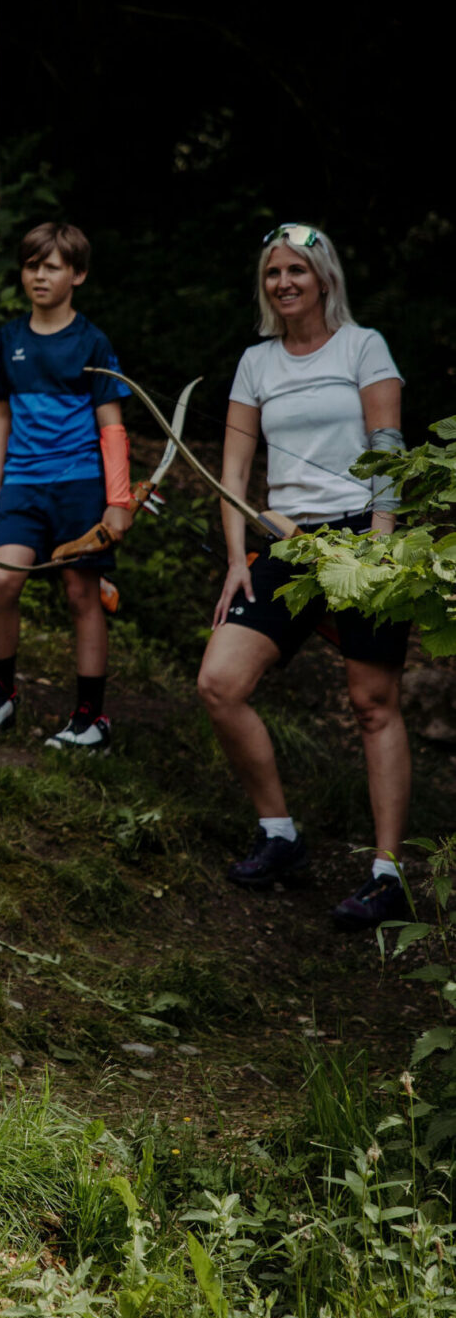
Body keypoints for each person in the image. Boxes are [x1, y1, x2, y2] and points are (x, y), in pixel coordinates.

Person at [198, 223, 411, 931]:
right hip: (287, 542)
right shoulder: (257, 361)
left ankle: (388, 872)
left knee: (371, 701)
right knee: (219, 683)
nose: (284, 281)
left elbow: (388, 453)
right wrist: (237, 560)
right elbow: (231, 476)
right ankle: (280, 833)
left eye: (296, 269)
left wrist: (380, 550)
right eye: (272, 272)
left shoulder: (363, 346)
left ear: (323, 276)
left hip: (362, 537)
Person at [0, 220, 134, 752]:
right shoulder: (10, 338)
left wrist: (119, 501)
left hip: (80, 485)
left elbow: (112, 426)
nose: (39, 275)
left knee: (81, 592)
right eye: (32, 264)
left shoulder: (92, 341)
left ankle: (90, 718)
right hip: (22, 485)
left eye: (52, 266)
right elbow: (0, 415)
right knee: (1, 584)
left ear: (77, 275)